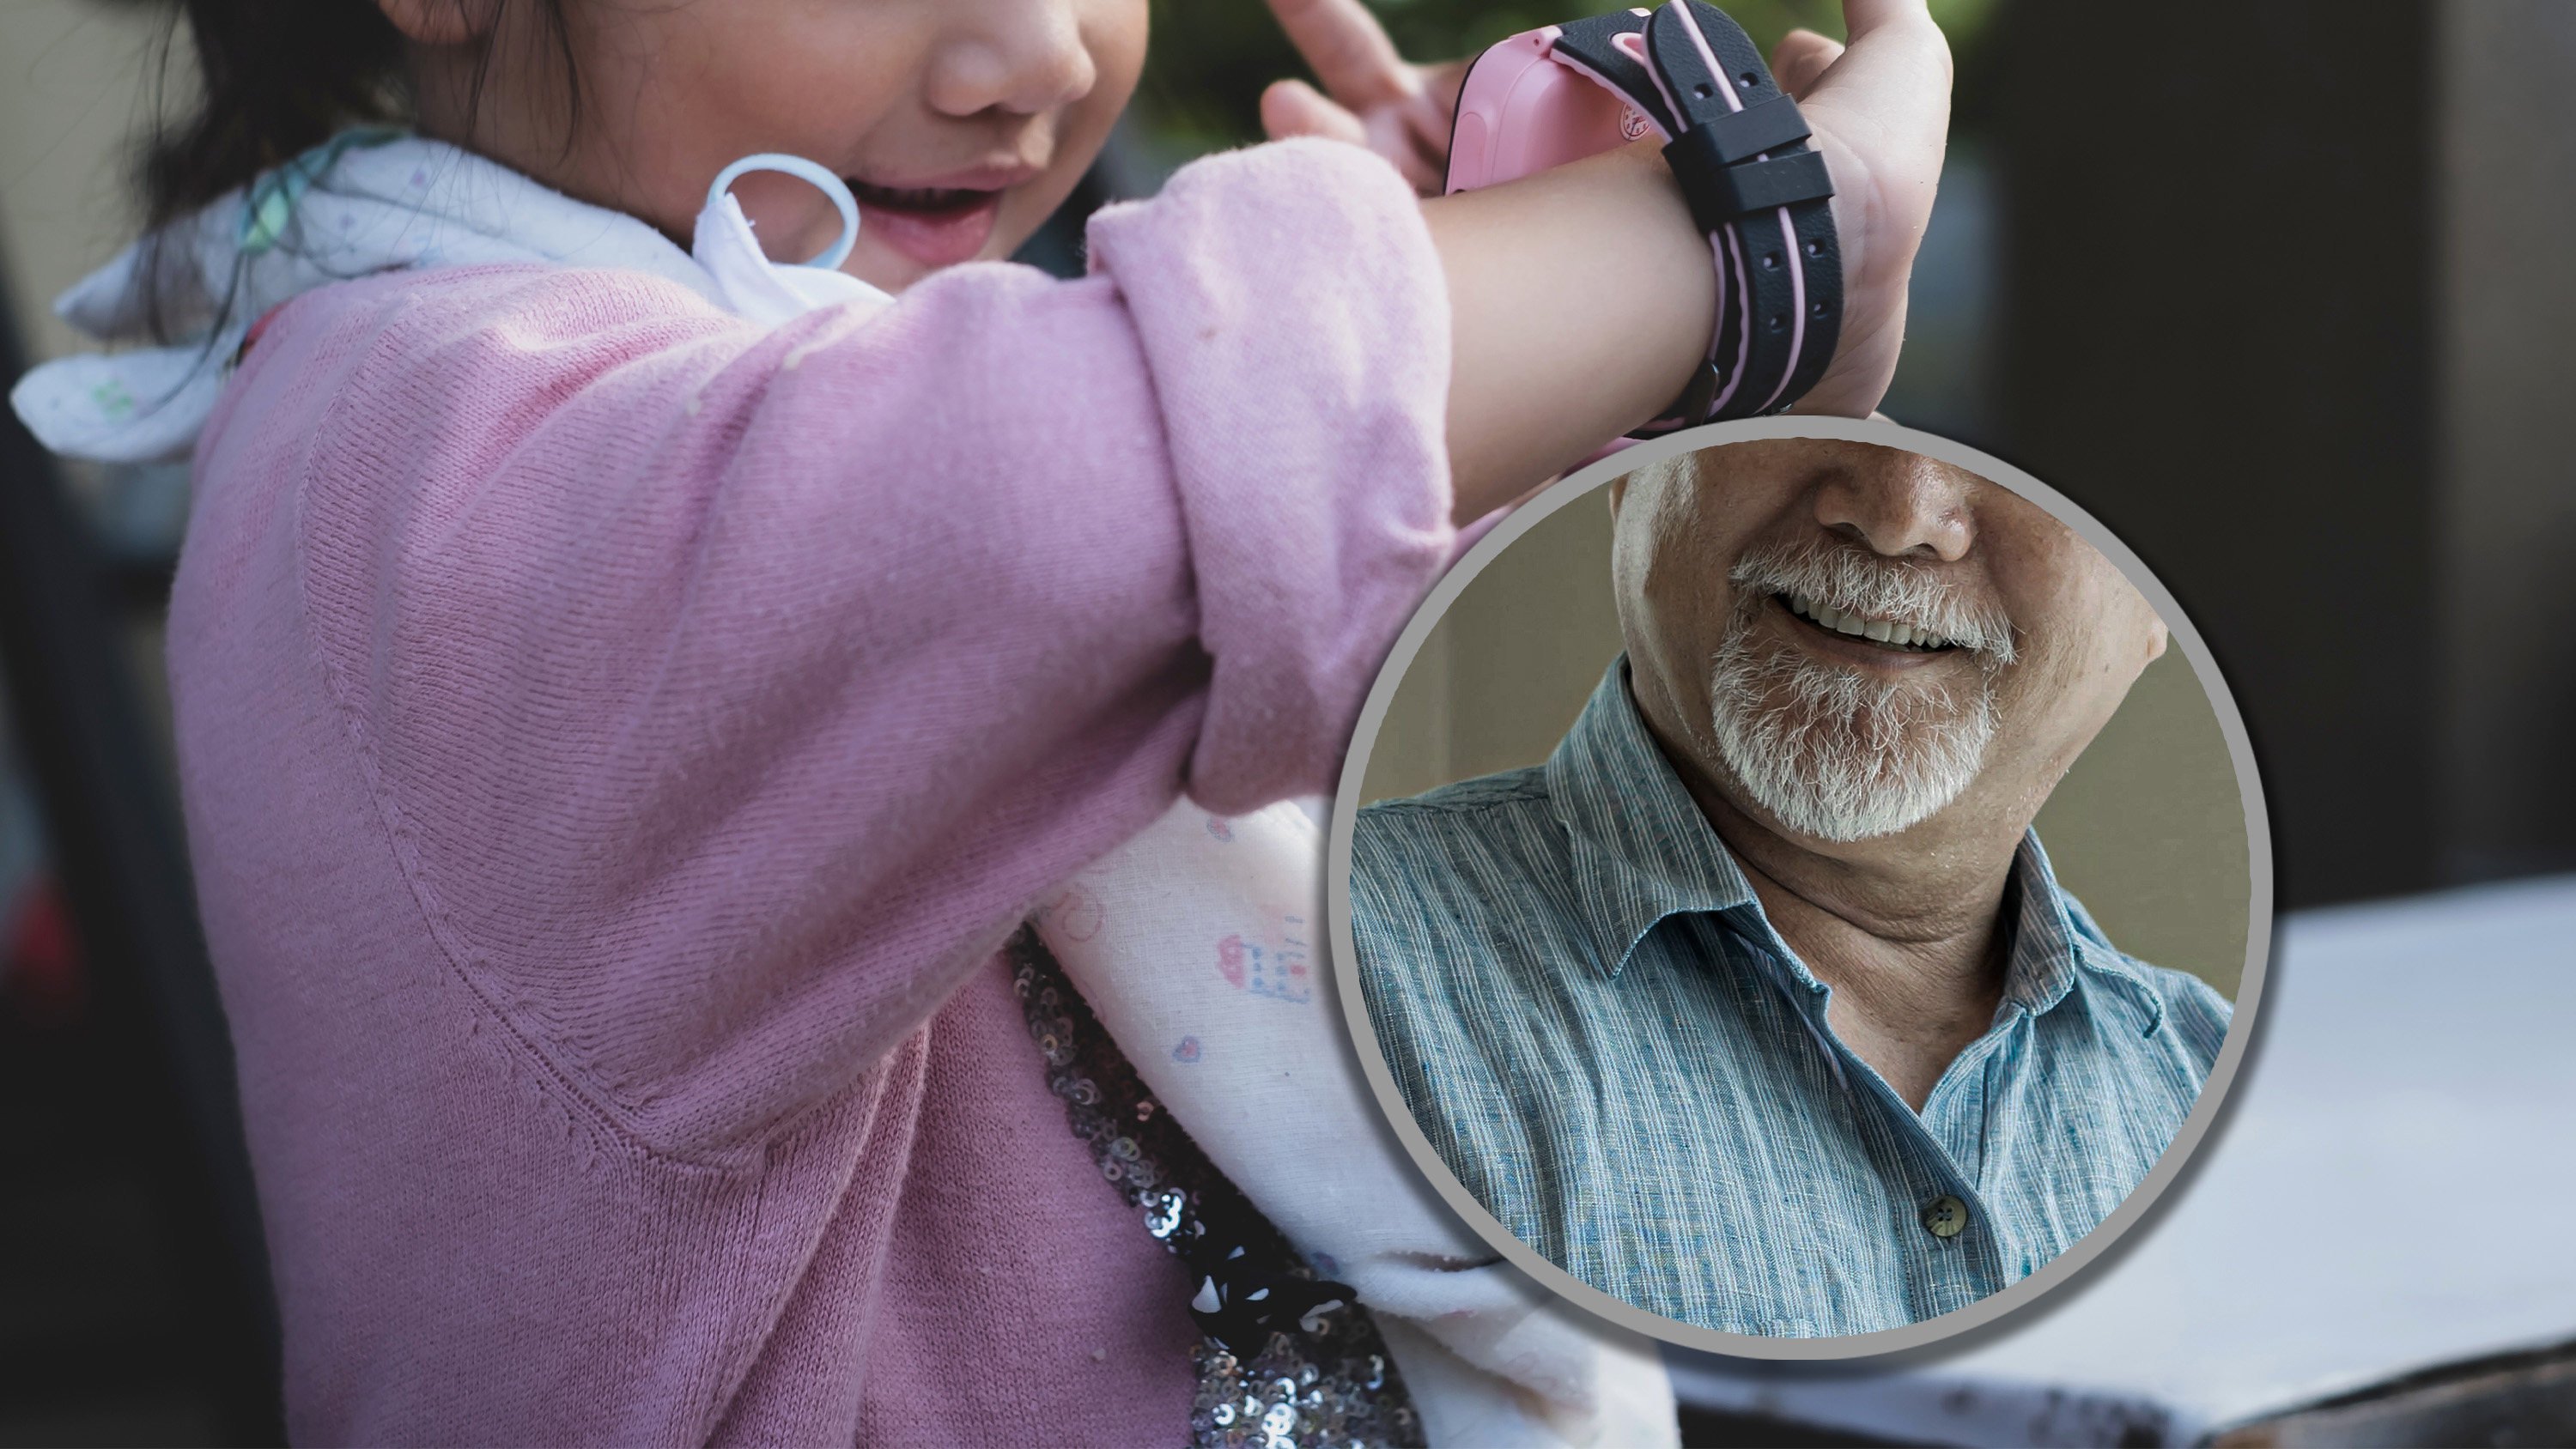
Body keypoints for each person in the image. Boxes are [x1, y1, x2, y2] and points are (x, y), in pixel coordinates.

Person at [12, 0, 1949, 1436]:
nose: (1028, 51)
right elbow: (1049, 515)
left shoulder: (775, 366)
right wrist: (1742, 240)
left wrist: (1512, 343)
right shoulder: (437, 467)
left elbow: (1515, 810)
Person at [1348, 439, 2234, 1338]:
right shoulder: (1298, 965)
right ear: (1625, 468)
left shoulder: (2224, 1088)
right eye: (1818, 399)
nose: (1898, 514)